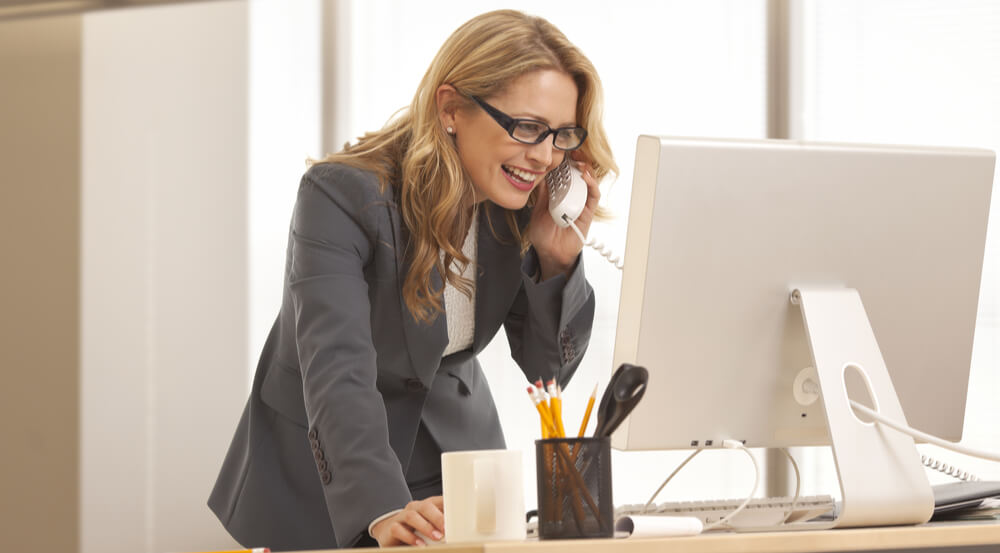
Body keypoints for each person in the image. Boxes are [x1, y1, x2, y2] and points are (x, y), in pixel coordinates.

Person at [208, 9, 617, 551]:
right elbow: (337, 369)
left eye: (561, 134)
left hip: (456, 459)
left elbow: (548, 372)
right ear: (451, 108)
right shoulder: (340, 197)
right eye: (526, 127)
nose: (544, 156)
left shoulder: (516, 204)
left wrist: (556, 259)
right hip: (335, 471)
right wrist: (379, 508)